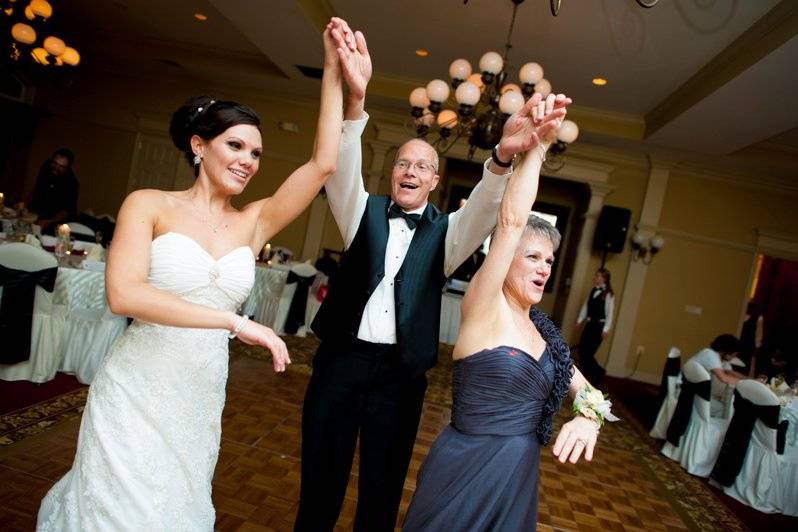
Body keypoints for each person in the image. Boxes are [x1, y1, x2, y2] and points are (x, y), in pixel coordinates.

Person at [36, 19, 349, 531]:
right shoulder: (148, 204)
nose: (248, 161)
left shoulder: (254, 222)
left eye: (256, 153)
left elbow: (323, 164)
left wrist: (333, 72)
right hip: (137, 384)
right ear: (200, 146)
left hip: (200, 390)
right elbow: (123, 294)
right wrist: (235, 323)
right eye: (236, 146)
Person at [294, 20, 571, 531]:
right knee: (320, 481)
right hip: (340, 364)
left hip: (400, 377)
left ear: (435, 181)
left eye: (422, 166)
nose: (410, 171)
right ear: (393, 172)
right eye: (403, 163)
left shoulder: (447, 234)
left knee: (381, 488)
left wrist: (504, 155)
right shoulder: (361, 212)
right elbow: (342, 165)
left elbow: (491, 209)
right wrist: (356, 106)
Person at [404, 93, 613, 530]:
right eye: (532, 257)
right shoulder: (484, 304)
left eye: (549, 262)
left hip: (516, 479)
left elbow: (590, 395)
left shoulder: (545, 334)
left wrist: (589, 420)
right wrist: (537, 146)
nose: (543, 269)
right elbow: (512, 221)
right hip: (464, 472)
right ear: (504, 258)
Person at [688, 334, 747, 415]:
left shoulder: (719, 358)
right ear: (727, 351)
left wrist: (753, 380)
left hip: (693, 391)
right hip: (690, 396)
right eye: (734, 354)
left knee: (724, 406)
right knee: (726, 410)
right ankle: (707, 426)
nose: (734, 356)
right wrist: (747, 384)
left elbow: (732, 373)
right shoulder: (710, 355)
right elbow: (724, 378)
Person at [575, 267, 615, 383]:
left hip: (599, 327)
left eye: (597, 276)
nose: (595, 277)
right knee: (582, 350)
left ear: (604, 279)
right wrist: (580, 320)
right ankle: (585, 376)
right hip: (590, 324)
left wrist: (606, 329)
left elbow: (610, 313)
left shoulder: (608, 294)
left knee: (588, 353)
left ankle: (598, 372)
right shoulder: (593, 290)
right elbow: (586, 306)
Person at [29, 148, 80, 231]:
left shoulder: (72, 184)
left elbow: (67, 211)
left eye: (61, 167)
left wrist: (48, 222)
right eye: (55, 163)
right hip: (38, 217)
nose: (56, 168)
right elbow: (36, 189)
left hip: (56, 224)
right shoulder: (46, 167)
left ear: (68, 168)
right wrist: (28, 208)